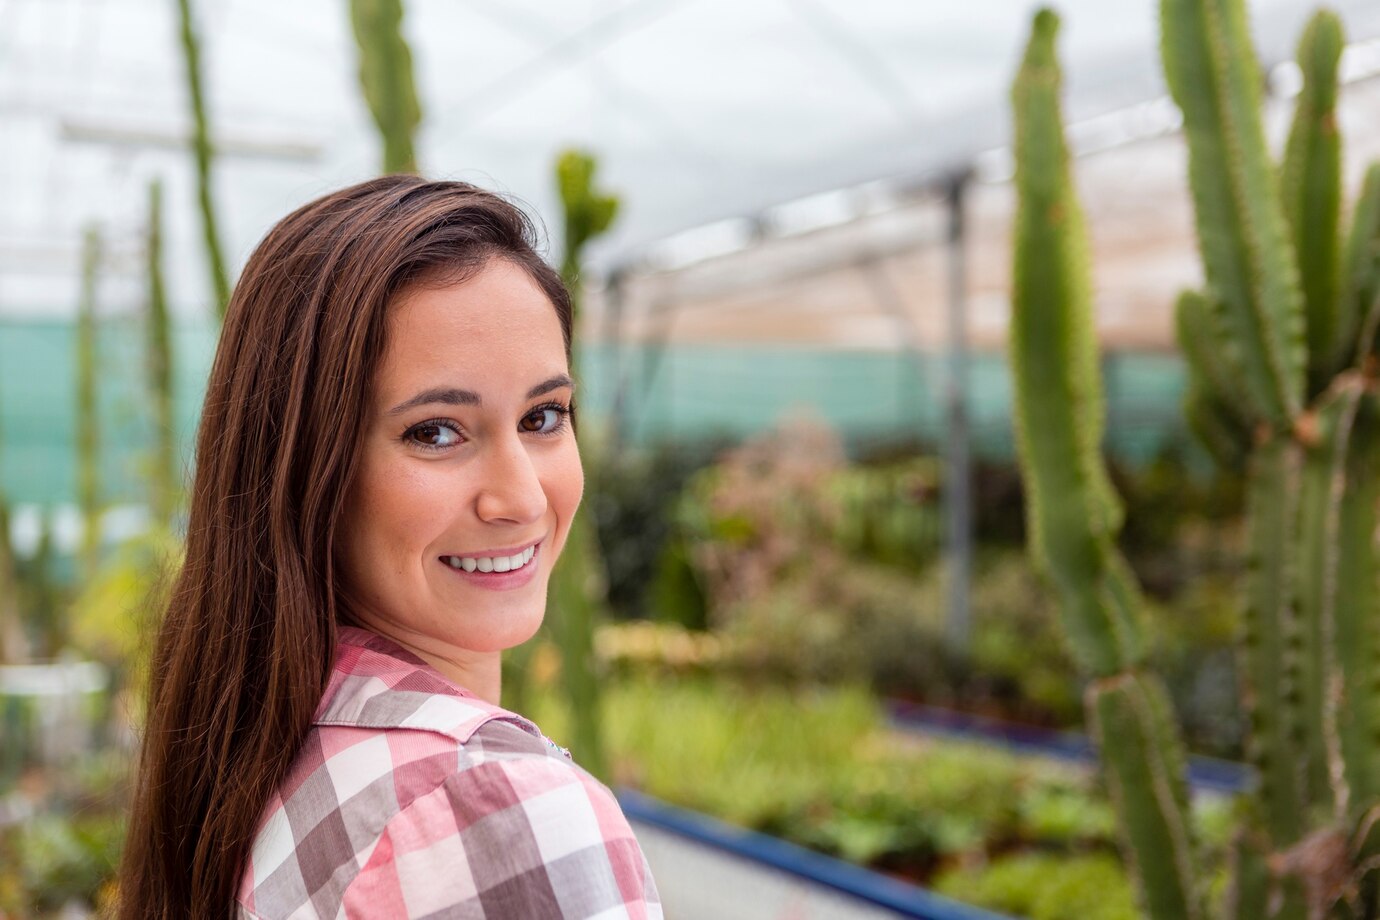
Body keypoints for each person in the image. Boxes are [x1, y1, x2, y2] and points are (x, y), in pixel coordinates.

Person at [118, 176, 663, 919]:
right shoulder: (492, 805)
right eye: (435, 431)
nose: (523, 499)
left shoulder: (271, 748)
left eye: (543, 416)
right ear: (306, 466)